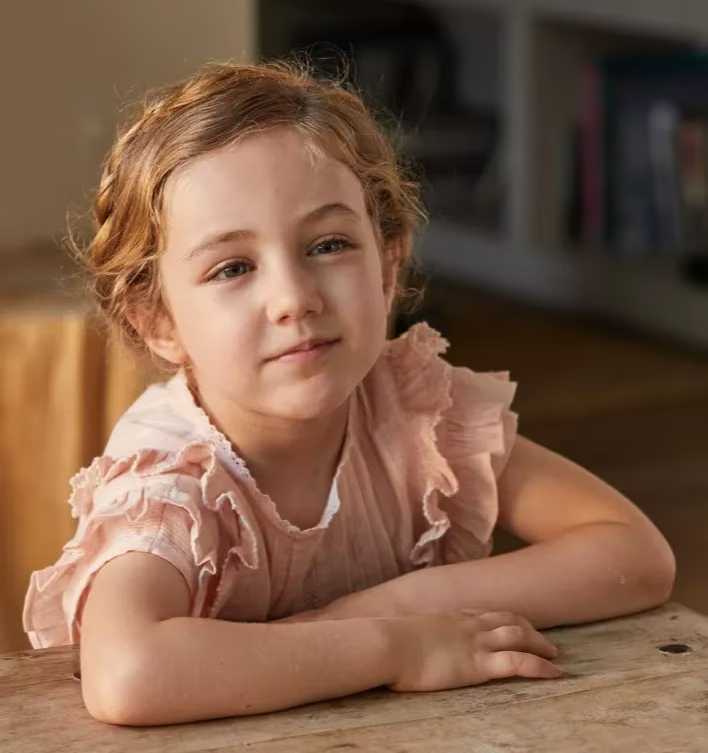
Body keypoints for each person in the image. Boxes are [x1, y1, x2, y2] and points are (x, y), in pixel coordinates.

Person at [23, 61, 675, 726]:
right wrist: (393, 647)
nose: (295, 299)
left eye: (329, 244)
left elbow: (633, 554)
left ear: (388, 269)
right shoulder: (172, 480)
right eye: (233, 267)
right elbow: (129, 676)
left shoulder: (417, 414)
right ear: (157, 321)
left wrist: (404, 603)